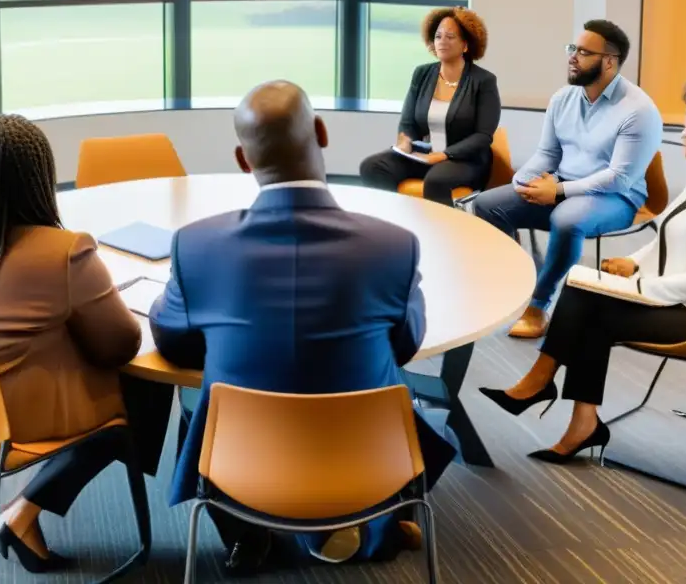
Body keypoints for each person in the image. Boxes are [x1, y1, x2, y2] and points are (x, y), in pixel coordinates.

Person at [149, 81, 457, 573]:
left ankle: (249, 536)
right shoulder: (393, 246)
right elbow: (403, 345)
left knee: (200, 399)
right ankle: (364, 521)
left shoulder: (197, 246)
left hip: (239, 463)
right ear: (321, 131)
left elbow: (171, 339)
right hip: (367, 463)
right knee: (409, 402)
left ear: (242, 159)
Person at [478, 73, 686, 463]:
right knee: (584, 289)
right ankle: (570, 410)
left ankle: (547, 391)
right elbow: (670, 228)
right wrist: (633, 262)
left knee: (593, 310)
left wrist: (639, 289)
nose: (681, 133)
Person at [0, 114, 144, 573]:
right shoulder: (65, 251)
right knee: (134, 399)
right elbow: (121, 345)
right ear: (39, 178)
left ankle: (24, 515)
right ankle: (25, 509)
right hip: (4, 427)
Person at [471, 20, 663, 338]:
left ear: (609, 61)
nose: (573, 57)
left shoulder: (639, 110)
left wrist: (558, 191)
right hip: (563, 183)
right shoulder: (563, 98)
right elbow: (548, 153)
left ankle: (539, 304)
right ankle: (519, 284)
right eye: (572, 48)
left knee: (566, 220)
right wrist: (523, 181)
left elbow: (618, 178)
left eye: (584, 52)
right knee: (488, 203)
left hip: (616, 197)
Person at [359, 6, 501, 206]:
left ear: (465, 45)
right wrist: (405, 142)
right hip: (424, 156)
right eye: (438, 36)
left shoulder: (483, 81)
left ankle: (438, 234)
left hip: (465, 161)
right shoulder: (422, 73)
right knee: (372, 166)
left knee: (437, 179)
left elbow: (483, 136)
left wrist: (444, 155)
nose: (442, 41)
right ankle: (396, 223)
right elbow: (408, 122)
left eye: (450, 36)